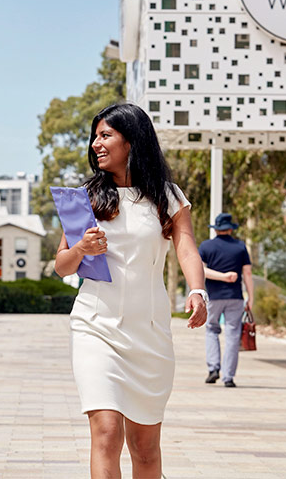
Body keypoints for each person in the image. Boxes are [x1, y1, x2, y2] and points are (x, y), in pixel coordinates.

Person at [54, 103, 207, 479]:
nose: (95, 144)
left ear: (132, 140)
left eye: (105, 135)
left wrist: (198, 290)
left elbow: (186, 245)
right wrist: (81, 250)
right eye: (95, 136)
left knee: (145, 449)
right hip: (95, 327)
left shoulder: (166, 196)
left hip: (149, 334)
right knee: (106, 433)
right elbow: (62, 266)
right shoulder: (85, 197)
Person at [198, 212, 253, 388]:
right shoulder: (240, 247)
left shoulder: (206, 246)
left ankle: (213, 368)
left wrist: (221, 277)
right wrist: (250, 298)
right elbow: (248, 274)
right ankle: (228, 377)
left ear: (216, 229)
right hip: (235, 298)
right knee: (232, 335)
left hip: (213, 297)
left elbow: (200, 271)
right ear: (230, 229)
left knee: (211, 330)